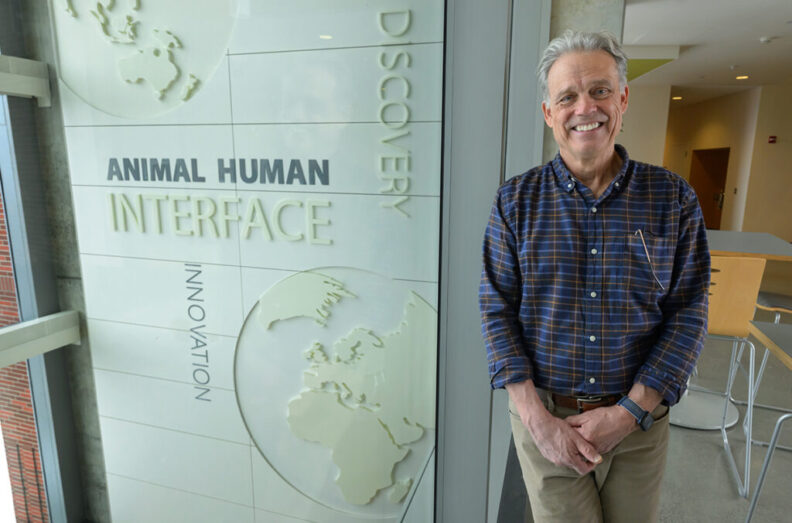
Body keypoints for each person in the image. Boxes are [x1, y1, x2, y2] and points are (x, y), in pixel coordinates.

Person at [479, 30, 710, 523]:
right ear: (549, 114)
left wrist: (629, 412)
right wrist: (536, 421)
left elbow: (689, 312)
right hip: (547, 421)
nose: (586, 107)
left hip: (641, 425)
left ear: (622, 99)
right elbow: (495, 310)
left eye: (600, 90)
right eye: (568, 96)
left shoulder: (674, 199)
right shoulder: (515, 204)